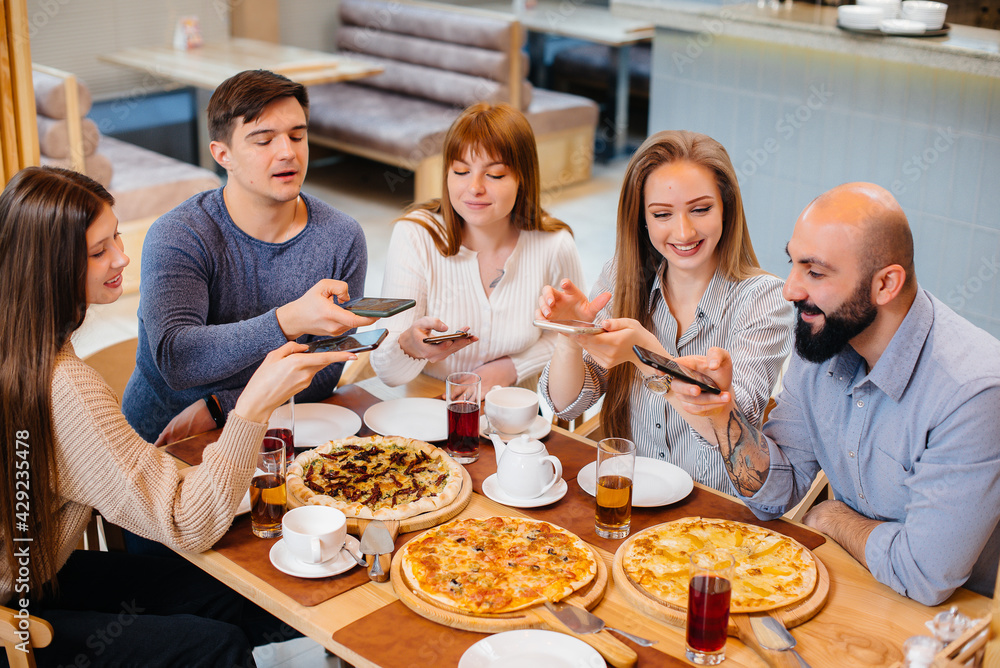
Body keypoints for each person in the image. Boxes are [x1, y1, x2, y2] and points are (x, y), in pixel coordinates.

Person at [0, 166, 355, 666]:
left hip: (32, 574)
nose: (122, 258)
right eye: (99, 252)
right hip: (14, 616)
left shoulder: (23, 349)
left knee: (242, 595)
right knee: (217, 646)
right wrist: (251, 407)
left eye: (116, 237)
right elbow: (190, 522)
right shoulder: (63, 387)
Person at [669, 182, 1000, 605]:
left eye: (816, 272)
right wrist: (720, 415)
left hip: (957, 621)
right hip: (856, 580)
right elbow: (779, 492)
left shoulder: (973, 393)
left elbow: (925, 574)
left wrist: (831, 515)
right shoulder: (822, 338)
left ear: (885, 285)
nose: (790, 289)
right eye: (793, 263)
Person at [122, 69, 373, 444]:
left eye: (297, 135)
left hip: (278, 430)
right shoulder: (180, 234)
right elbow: (178, 358)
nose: (287, 151)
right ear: (223, 154)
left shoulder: (342, 236)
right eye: (264, 140)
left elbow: (327, 367)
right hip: (164, 441)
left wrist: (223, 406)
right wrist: (288, 320)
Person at [536, 130, 793, 492]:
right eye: (662, 214)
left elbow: (741, 434)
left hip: (714, 518)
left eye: (701, 209)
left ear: (726, 209)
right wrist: (571, 335)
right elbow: (566, 406)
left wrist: (645, 356)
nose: (684, 231)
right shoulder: (620, 278)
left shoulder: (764, 299)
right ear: (641, 218)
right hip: (627, 501)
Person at [370, 102, 585, 390]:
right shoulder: (415, 235)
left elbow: (571, 335)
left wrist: (511, 368)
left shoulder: (554, 244)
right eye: (460, 171)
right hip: (426, 410)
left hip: (511, 417)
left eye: (494, 175)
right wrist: (410, 345)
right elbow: (387, 373)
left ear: (523, 178)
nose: (474, 187)